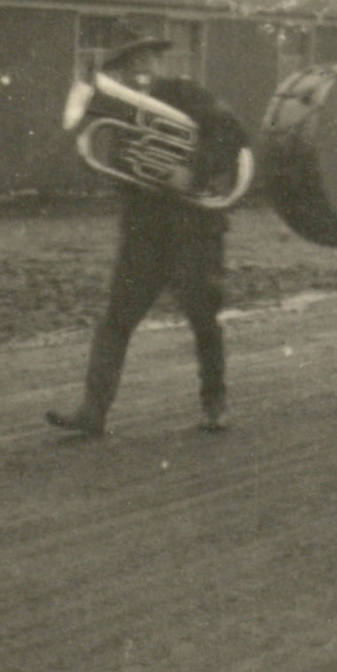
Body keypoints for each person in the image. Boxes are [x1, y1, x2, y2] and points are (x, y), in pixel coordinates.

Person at [46, 31, 250, 436]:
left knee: (202, 320)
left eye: (146, 58)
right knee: (115, 321)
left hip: (192, 229)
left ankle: (215, 404)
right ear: (120, 70)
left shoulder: (186, 93)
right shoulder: (120, 112)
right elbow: (128, 169)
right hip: (144, 232)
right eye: (129, 62)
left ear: (160, 61)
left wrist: (190, 168)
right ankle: (93, 411)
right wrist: (124, 169)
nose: (139, 67)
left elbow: (233, 134)